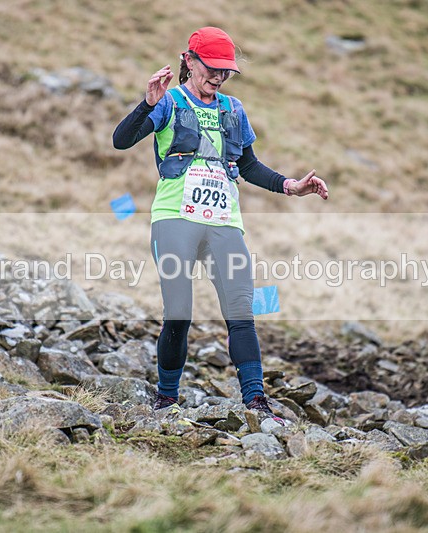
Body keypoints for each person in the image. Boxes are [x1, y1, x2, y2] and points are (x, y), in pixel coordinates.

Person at [112, 27, 328, 421]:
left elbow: (248, 165)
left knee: (241, 313)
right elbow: (121, 141)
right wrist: (146, 105)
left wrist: (290, 186)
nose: (218, 76)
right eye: (211, 68)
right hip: (175, 219)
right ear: (189, 61)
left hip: (225, 223)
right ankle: (166, 399)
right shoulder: (168, 102)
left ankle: (256, 403)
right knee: (179, 313)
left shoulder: (234, 109)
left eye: (225, 71)